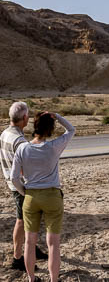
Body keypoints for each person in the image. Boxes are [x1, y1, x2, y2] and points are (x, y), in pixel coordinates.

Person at [11, 111, 69, 281]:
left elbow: (14, 178)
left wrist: (25, 192)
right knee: (53, 244)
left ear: (33, 126)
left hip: (30, 198)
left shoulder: (22, 148)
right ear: (49, 129)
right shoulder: (53, 146)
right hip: (52, 197)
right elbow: (71, 130)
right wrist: (57, 116)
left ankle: (31, 278)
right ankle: (53, 279)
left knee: (29, 242)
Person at [0, 102, 25, 272]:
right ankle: (17, 258)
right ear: (25, 118)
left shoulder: (4, 133)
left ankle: (29, 247)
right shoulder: (20, 140)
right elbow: (24, 169)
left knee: (26, 221)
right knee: (21, 220)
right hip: (20, 186)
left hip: (10, 181)